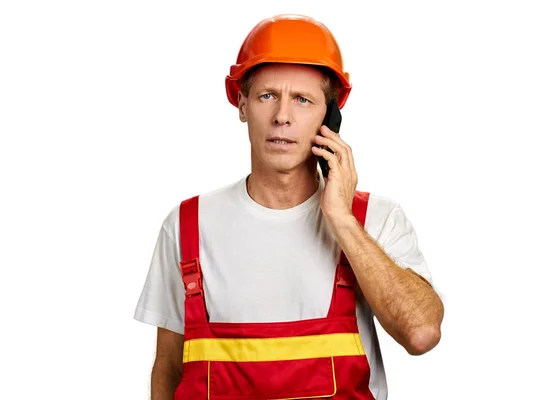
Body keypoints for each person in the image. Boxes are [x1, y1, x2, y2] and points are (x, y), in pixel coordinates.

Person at [134, 14, 444, 400]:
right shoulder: (188, 225)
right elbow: (168, 368)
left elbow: (422, 333)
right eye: (267, 96)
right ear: (242, 104)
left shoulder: (376, 220)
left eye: (302, 100)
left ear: (329, 117)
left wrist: (342, 221)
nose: (282, 116)